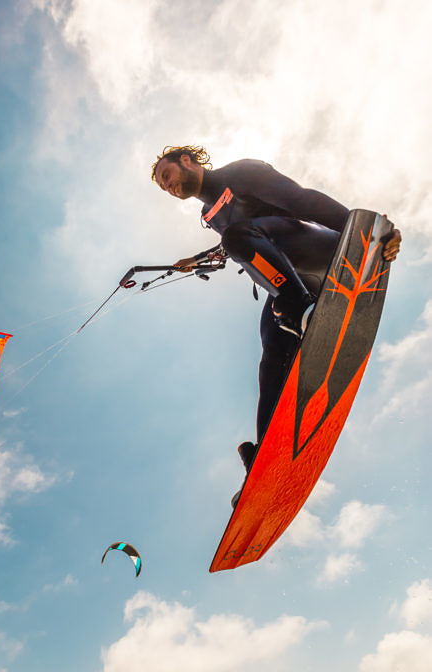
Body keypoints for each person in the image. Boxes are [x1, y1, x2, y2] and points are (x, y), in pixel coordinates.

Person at [152, 146, 402, 472]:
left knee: (240, 239)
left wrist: (365, 232)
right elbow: (235, 246)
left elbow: (300, 200)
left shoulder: (240, 173)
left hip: (319, 253)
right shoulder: (210, 215)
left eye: (167, 176)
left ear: (187, 160)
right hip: (292, 280)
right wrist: (197, 261)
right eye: (163, 187)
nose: (168, 187)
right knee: (271, 346)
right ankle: (265, 453)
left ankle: (302, 310)